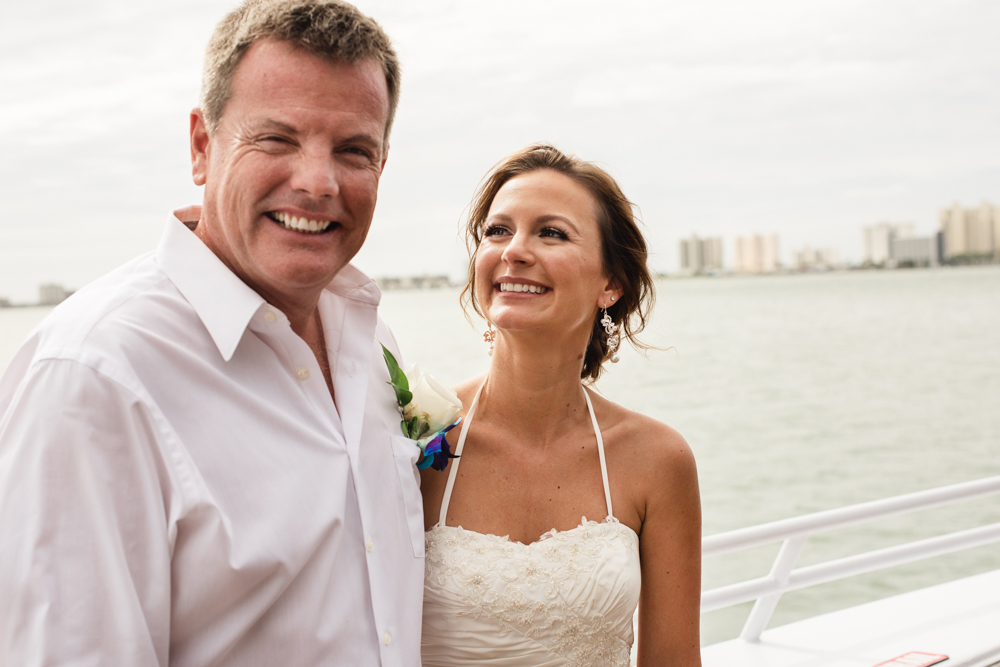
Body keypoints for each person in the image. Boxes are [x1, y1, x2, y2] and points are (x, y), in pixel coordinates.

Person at [0, 1, 425, 665]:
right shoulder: (94, 374)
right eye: (277, 139)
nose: (318, 182)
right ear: (202, 146)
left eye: (353, 150)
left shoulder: (372, 343)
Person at [420, 145, 703, 665]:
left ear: (610, 284)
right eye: (497, 231)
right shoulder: (415, 434)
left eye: (551, 233)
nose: (514, 251)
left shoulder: (659, 461)